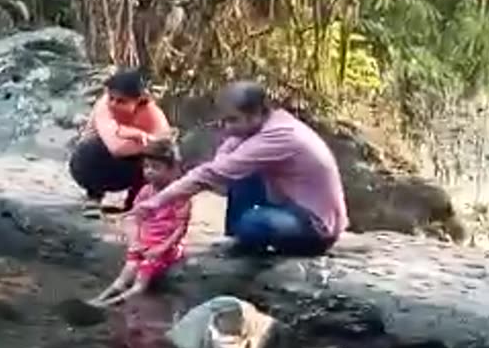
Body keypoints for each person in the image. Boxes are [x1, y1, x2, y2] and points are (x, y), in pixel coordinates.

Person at [132, 80, 346, 256]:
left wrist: (158, 201)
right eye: (224, 121)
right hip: (291, 206)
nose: (227, 127)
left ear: (255, 114)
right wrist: (228, 150)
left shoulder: (279, 136)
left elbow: (211, 173)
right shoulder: (261, 125)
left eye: (232, 120)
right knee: (240, 174)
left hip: (316, 226)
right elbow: (224, 160)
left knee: (251, 224)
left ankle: (245, 240)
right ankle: (238, 240)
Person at [88, 139, 191, 307]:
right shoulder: (145, 191)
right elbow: (135, 218)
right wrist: (135, 241)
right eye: (146, 167)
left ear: (174, 170)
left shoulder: (180, 196)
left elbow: (181, 228)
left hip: (164, 247)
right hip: (145, 242)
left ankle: (111, 304)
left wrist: (162, 248)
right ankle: (100, 299)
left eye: (156, 167)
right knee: (126, 273)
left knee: (140, 283)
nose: (149, 172)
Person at [69, 68, 171, 217]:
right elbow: (115, 147)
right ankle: (95, 195)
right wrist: (148, 143)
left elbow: (166, 146)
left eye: (122, 101)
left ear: (139, 100)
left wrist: (151, 147)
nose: (114, 104)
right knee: (93, 149)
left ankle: (135, 202)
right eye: (111, 98)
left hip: (131, 168)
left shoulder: (152, 114)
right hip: (91, 163)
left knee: (158, 162)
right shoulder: (103, 106)